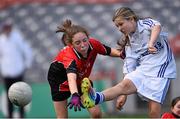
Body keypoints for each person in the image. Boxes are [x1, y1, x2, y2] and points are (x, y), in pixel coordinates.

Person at [81, 7, 177, 118]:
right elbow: (128, 69)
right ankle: (95, 98)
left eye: (121, 24)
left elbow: (157, 26)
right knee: (124, 85)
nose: (119, 28)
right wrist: (123, 95)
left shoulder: (145, 24)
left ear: (131, 19)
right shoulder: (129, 43)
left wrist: (151, 43)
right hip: (144, 68)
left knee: (153, 112)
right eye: (117, 26)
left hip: (161, 69)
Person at [47, 19, 124, 118]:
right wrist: (75, 95)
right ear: (71, 45)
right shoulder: (70, 57)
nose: (83, 45)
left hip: (81, 79)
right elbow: (71, 79)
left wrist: (122, 54)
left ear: (88, 38)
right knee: (62, 117)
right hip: (59, 81)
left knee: (96, 114)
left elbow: (109, 51)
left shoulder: (93, 44)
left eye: (84, 40)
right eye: (78, 43)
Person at [0, 21, 33, 118]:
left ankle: (21, 116)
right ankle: (9, 116)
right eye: (5, 28)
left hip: (18, 72)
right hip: (7, 73)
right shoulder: (1, 40)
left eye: (8, 27)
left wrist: (26, 65)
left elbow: (27, 50)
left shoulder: (17, 37)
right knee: (9, 96)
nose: (7, 30)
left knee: (21, 96)